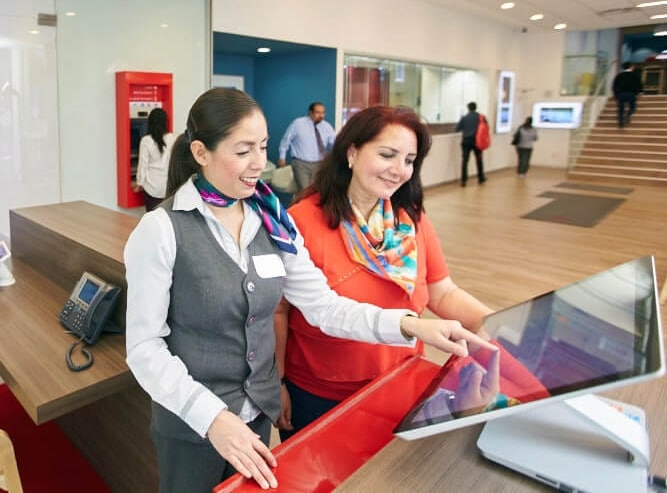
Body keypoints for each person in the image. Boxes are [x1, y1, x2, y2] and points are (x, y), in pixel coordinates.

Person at [123, 88, 495, 493]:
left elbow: (324, 307)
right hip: (191, 422)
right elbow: (144, 348)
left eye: (263, 147)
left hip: (256, 414)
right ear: (200, 152)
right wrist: (213, 418)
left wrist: (411, 325)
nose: (259, 163)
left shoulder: (272, 219)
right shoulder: (161, 230)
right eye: (243, 150)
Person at [273, 105, 495, 442]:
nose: (399, 170)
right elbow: (277, 312)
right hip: (321, 395)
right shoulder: (300, 221)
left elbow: (443, 292)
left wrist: (498, 324)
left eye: (409, 160)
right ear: (352, 152)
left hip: (401, 382)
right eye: (387, 155)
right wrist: (275, 382)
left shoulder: (411, 220)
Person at [277, 102, 335, 192]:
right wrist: (282, 157)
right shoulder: (298, 124)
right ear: (310, 113)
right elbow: (286, 140)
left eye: (323, 113)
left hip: (319, 164)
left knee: (315, 191)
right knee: (304, 190)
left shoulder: (327, 127)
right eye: (318, 112)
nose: (321, 115)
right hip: (301, 163)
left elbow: (335, 143)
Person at [134, 107, 176, 211]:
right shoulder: (173, 138)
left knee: (152, 216)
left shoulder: (146, 141)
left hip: (152, 188)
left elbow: (143, 165)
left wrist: (139, 184)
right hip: (168, 187)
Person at [455, 101, 487, 187]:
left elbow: (457, 129)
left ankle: (463, 180)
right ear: (475, 108)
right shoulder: (481, 117)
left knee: (465, 161)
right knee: (479, 160)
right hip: (477, 142)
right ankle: (481, 178)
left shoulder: (464, 118)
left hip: (466, 141)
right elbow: (486, 128)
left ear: (468, 108)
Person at [612, 61, 643, 128]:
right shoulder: (635, 75)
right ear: (631, 67)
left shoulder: (619, 75)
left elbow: (614, 86)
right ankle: (628, 114)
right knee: (633, 107)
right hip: (631, 94)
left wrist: (615, 94)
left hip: (620, 94)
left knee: (621, 109)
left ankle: (620, 123)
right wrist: (640, 92)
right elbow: (639, 84)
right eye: (633, 66)